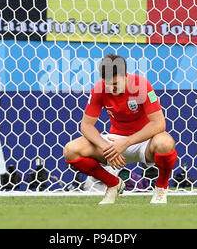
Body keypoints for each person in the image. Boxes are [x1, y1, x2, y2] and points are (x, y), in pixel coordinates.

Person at [64, 53, 177, 204]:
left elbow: (159, 124)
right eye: (108, 83)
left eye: (116, 83)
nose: (111, 88)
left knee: (165, 143)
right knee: (71, 150)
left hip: (145, 142)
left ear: (126, 75)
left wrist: (127, 142)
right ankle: (113, 184)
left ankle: (161, 188)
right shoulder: (99, 89)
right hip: (115, 143)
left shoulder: (141, 85)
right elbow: (86, 125)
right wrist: (105, 146)